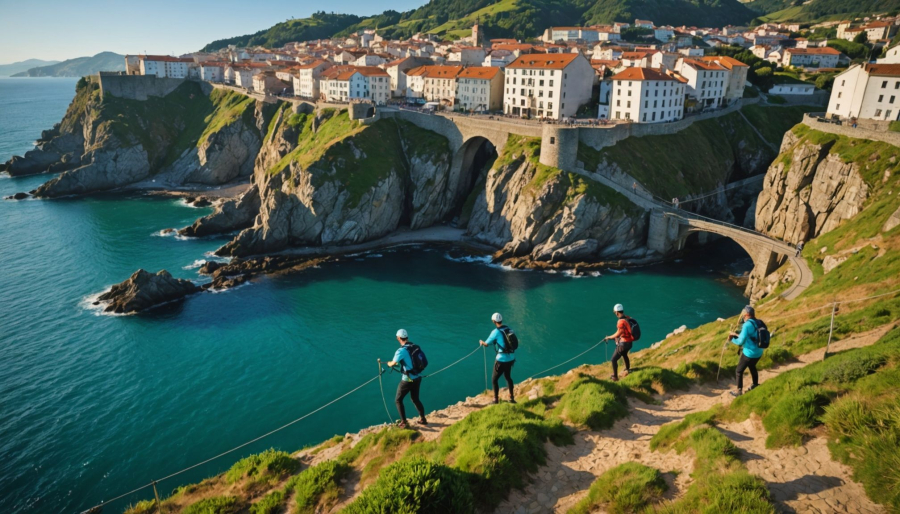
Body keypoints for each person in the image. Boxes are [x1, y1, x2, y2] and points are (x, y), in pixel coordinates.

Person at [387, 329, 427, 428]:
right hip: (418, 377)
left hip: (407, 380)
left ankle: (404, 422)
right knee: (415, 399)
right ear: (407, 337)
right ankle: (423, 418)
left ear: (399, 338)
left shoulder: (401, 351)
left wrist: (388, 363)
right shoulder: (414, 346)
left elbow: (394, 363)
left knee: (398, 400)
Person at [480, 313, 516, 404]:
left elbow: (486, 344)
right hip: (511, 358)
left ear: (494, 321)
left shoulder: (495, 332)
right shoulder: (509, 329)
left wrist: (481, 342)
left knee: (494, 379)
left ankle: (495, 399)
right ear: (501, 320)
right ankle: (511, 397)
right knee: (508, 377)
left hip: (501, 359)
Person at [728, 306, 765, 397]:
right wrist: (737, 334)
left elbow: (740, 341)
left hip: (749, 353)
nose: (743, 316)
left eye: (744, 314)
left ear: (748, 314)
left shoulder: (747, 325)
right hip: (759, 352)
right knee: (752, 366)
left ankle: (739, 391)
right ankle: (755, 384)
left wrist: (731, 339)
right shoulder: (760, 322)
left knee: (739, 371)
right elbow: (753, 336)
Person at [603, 304, 635, 381]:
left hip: (623, 344)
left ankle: (615, 377)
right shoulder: (628, 318)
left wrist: (609, 337)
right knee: (624, 354)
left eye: (615, 313)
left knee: (613, 359)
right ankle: (627, 369)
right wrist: (616, 337)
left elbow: (619, 333)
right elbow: (624, 331)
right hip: (629, 343)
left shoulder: (620, 321)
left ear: (617, 312)